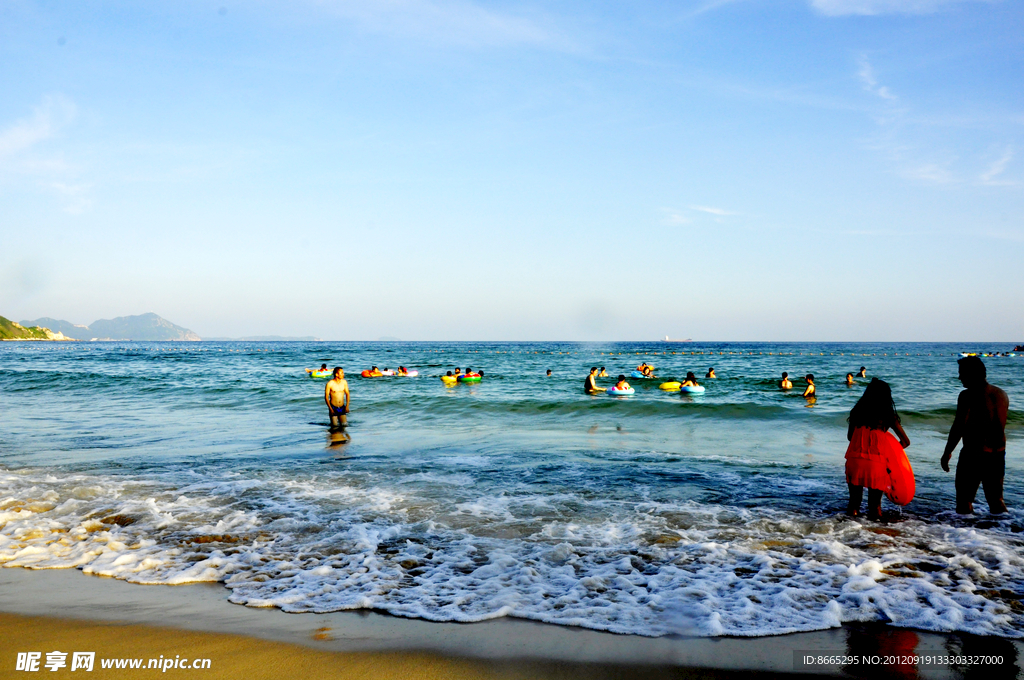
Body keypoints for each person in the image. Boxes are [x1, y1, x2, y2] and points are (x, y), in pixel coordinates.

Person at [941, 356, 1009, 514]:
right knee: (996, 500)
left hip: (974, 454)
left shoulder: (967, 395)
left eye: (962, 374)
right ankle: (1007, 531)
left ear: (972, 374)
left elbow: (959, 426)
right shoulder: (1001, 394)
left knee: (964, 501)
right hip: (997, 454)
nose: (959, 377)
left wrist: (947, 452)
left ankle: (962, 535)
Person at [845, 378, 911, 519]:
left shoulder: (856, 412)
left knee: (854, 503)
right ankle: (875, 537)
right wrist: (891, 452)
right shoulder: (888, 416)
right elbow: (905, 442)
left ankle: (847, 533)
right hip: (876, 463)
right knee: (875, 506)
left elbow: (850, 437)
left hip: (854, 460)